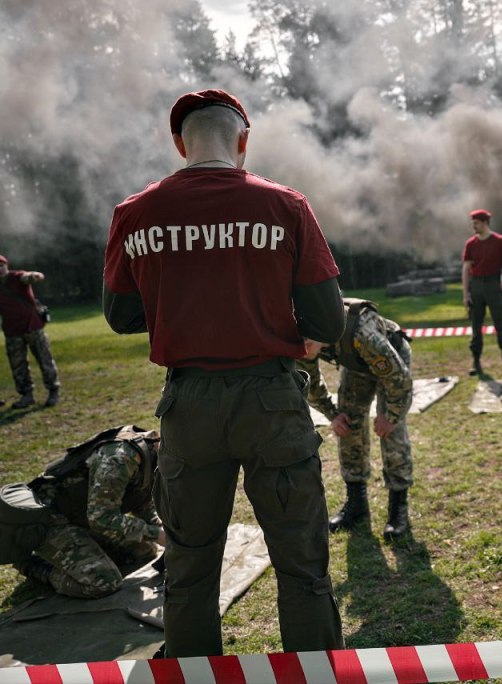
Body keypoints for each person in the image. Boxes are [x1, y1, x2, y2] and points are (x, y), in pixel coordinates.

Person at [102, 89, 345, 657]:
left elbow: (120, 316)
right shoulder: (286, 205)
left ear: (179, 143)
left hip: (189, 408)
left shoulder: (134, 213)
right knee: (302, 564)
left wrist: (183, 308)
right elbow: (329, 320)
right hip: (272, 403)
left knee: (189, 568)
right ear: (243, 141)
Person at [297, 298, 414, 539]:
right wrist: (333, 415)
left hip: (391, 362)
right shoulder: (302, 337)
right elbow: (310, 383)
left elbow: (400, 380)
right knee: (347, 425)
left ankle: (398, 508)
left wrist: (391, 416)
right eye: (301, 344)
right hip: (356, 365)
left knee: (390, 432)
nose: (304, 349)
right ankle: (357, 504)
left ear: (321, 332)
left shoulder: (363, 335)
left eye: (308, 343)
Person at [1, 426, 164, 598]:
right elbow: (101, 518)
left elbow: (142, 502)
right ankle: (33, 564)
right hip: (53, 521)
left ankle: (83, 552)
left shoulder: (155, 455)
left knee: (144, 550)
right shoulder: (120, 458)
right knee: (103, 582)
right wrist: (155, 534)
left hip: (82, 516)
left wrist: (161, 528)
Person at [461, 209, 502, 376]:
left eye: (476, 223)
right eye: (473, 223)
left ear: (485, 223)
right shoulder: (471, 244)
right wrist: (466, 294)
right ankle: (476, 362)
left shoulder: (499, 241)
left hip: (493, 286)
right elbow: (466, 269)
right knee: (476, 328)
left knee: (500, 326)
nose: (474, 226)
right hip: (476, 286)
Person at [0, 255, 60, 408]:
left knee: (44, 359)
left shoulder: (17, 276)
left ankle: (53, 390)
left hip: (32, 326)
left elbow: (27, 277)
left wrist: (34, 275)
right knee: (18, 365)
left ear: (6, 265)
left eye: (1, 266)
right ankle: (26, 395)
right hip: (12, 330)